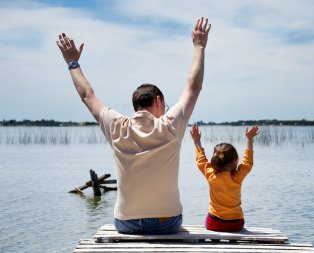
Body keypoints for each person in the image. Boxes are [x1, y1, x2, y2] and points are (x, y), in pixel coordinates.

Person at [56, 17, 211, 234]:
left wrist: (72, 62)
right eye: (164, 105)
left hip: (126, 223)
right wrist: (199, 47)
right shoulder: (169, 126)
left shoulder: (117, 126)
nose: (166, 109)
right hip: (166, 222)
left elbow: (87, 95)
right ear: (158, 100)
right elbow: (194, 87)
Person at [189, 124, 260, 232]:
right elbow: (248, 162)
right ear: (235, 160)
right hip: (236, 224)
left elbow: (201, 160)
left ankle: (214, 242)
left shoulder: (211, 175)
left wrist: (196, 140)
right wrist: (249, 139)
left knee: (210, 222)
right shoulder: (237, 176)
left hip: (215, 223)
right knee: (234, 228)